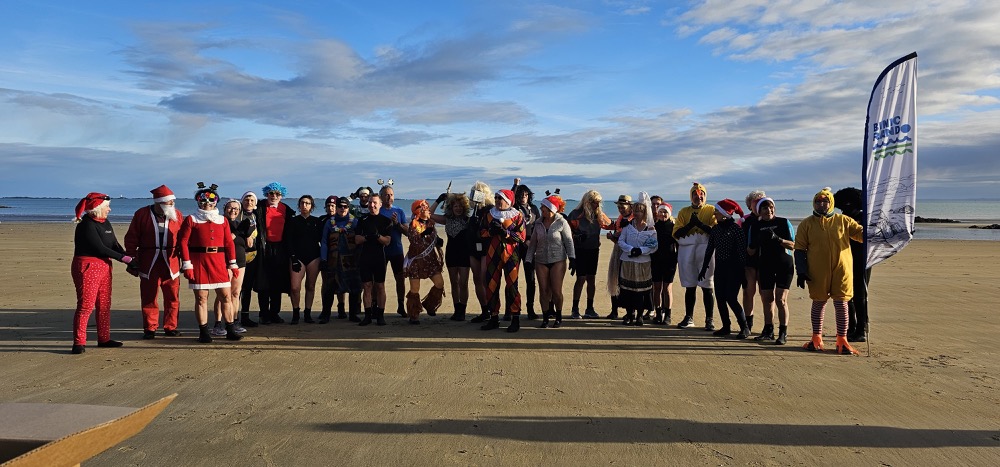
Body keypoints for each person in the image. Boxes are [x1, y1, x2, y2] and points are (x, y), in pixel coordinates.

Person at [795, 187, 865, 355]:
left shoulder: (844, 221)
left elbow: (861, 236)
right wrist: (801, 270)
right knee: (819, 302)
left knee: (842, 303)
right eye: (818, 201)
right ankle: (816, 338)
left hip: (842, 269)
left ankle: (842, 339)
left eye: (825, 201)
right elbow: (799, 249)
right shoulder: (807, 224)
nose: (821, 204)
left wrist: (875, 228)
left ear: (831, 203)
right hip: (817, 271)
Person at [177, 183, 242, 343]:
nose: (207, 204)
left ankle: (230, 329)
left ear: (216, 202)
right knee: (201, 298)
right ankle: (204, 331)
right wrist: (187, 264)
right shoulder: (191, 219)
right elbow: (183, 242)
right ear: (198, 202)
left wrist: (232, 263)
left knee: (226, 296)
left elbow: (229, 243)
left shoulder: (222, 221)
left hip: (219, 262)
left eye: (211, 201)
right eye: (203, 201)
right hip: (199, 262)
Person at [70, 192, 132, 354]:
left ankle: (104, 338)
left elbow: (114, 245)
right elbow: (100, 248)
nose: (109, 210)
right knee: (86, 306)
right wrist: (125, 260)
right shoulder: (86, 225)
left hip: (105, 265)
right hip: (88, 265)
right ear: (97, 208)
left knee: (104, 304)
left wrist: (128, 258)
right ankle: (79, 342)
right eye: (107, 207)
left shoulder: (105, 222)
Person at [123, 185, 183, 339]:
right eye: (168, 202)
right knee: (149, 296)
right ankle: (150, 328)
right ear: (159, 202)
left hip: (172, 261)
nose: (171, 205)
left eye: (172, 202)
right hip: (149, 261)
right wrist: (132, 259)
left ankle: (171, 326)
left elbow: (184, 239)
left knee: (172, 296)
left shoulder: (177, 215)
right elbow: (131, 238)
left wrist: (186, 260)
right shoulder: (142, 214)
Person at [475, 189, 527, 332]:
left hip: (512, 255)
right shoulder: (489, 214)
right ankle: (494, 317)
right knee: (491, 285)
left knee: (512, 287)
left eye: (501, 198)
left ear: (508, 201)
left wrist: (506, 232)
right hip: (493, 254)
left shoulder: (517, 216)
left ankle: (515, 318)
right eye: (496, 197)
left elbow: (521, 237)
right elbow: (480, 232)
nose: (497, 200)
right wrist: (491, 232)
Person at [699, 199, 750, 339]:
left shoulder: (736, 229)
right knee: (720, 298)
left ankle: (744, 327)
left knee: (731, 298)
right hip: (720, 268)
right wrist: (703, 268)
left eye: (717, 211)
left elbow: (741, 253)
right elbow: (709, 250)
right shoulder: (715, 229)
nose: (714, 213)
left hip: (734, 269)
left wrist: (743, 275)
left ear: (724, 213)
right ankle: (726, 326)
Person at [746, 197, 795, 345]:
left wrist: (778, 239)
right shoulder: (755, 226)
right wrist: (755, 242)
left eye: (771, 207)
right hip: (765, 265)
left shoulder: (783, 222)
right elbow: (750, 252)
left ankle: (783, 332)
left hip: (784, 265)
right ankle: (768, 330)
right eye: (765, 208)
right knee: (767, 299)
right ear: (759, 211)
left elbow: (793, 245)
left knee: (781, 299)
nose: (769, 210)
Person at [525, 194, 575, 328]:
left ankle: (558, 316)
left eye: (543, 207)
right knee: (544, 290)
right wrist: (528, 259)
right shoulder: (538, 223)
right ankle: (545, 317)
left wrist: (572, 258)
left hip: (558, 259)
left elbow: (569, 242)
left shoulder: (561, 222)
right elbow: (533, 244)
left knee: (556, 290)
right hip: (541, 260)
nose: (541, 208)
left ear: (551, 209)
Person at [673, 182, 718, 330]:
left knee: (707, 286)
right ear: (691, 196)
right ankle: (689, 317)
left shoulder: (711, 210)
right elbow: (676, 233)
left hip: (706, 252)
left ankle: (709, 319)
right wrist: (690, 225)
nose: (699, 197)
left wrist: (698, 224)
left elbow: (715, 231)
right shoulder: (683, 212)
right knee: (690, 286)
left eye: (702, 195)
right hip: (687, 252)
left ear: (705, 196)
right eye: (695, 195)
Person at [253, 182, 294, 324]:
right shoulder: (259, 207)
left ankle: (274, 312)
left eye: (277, 194)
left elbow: (290, 231)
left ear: (281, 196)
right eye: (271, 193)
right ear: (266, 194)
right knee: (264, 281)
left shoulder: (286, 210)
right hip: (263, 248)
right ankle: (263, 313)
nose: (274, 196)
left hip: (280, 249)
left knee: (278, 282)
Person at [566, 190, 611, 319]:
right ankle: (575, 309)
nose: (597, 205)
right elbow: (567, 233)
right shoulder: (575, 214)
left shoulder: (599, 215)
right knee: (581, 278)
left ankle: (589, 308)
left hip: (593, 249)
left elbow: (611, 225)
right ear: (587, 202)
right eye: (595, 202)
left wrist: (626, 222)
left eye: (599, 203)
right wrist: (577, 236)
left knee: (591, 278)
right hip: (580, 250)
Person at [834, 187, 871, 343]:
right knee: (846, 294)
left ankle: (861, 328)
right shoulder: (841, 218)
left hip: (862, 260)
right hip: (845, 259)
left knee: (860, 295)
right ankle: (852, 326)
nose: (845, 208)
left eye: (847, 205)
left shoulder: (864, 218)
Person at [210, 199, 251, 336]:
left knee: (235, 293)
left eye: (236, 208)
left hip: (240, 262)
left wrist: (249, 233)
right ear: (224, 208)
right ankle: (218, 324)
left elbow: (249, 244)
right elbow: (223, 240)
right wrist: (237, 232)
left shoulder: (240, 224)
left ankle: (234, 321)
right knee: (222, 294)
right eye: (230, 208)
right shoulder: (219, 223)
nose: (233, 210)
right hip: (224, 261)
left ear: (239, 211)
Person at [616, 194, 658, 326]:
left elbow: (654, 246)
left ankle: (640, 315)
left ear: (645, 212)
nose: (638, 213)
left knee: (641, 291)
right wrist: (631, 249)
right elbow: (621, 241)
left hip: (643, 263)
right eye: (636, 211)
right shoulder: (628, 227)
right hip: (628, 261)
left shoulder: (650, 229)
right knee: (628, 290)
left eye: (640, 211)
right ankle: (629, 314)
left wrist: (641, 250)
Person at [320, 196, 363, 323]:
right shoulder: (329, 223)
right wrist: (323, 259)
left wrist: (359, 258)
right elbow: (324, 242)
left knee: (354, 287)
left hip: (351, 260)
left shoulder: (354, 222)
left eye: (345, 207)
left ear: (348, 208)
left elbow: (360, 241)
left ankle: (353, 314)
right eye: (340, 206)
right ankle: (326, 314)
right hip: (333, 259)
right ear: (336, 208)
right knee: (329, 287)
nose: (342, 209)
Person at [430, 191, 472, 321]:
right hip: (452, 253)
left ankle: (463, 310)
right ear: (451, 208)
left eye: (460, 206)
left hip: (465, 254)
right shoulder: (447, 219)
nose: (458, 208)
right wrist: (439, 199)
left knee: (463, 283)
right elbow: (428, 214)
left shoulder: (468, 220)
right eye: (455, 206)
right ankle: (456, 310)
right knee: (454, 283)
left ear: (464, 207)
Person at [402, 199, 446, 324]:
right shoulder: (413, 225)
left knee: (439, 283)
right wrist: (423, 235)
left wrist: (438, 240)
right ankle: (413, 313)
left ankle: (429, 304)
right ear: (417, 211)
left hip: (430, 260)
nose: (426, 209)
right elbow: (414, 241)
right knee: (415, 289)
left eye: (427, 207)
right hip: (416, 261)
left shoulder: (431, 223)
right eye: (423, 207)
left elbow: (433, 238)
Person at [355, 194, 393, 326]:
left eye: (375, 203)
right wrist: (368, 237)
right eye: (370, 203)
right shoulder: (362, 220)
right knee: (367, 286)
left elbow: (387, 241)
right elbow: (357, 239)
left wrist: (377, 236)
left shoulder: (386, 221)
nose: (372, 205)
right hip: (365, 256)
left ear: (380, 204)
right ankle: (367, 315)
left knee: (380, 286)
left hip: (379, 257)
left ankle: (380, 315)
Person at [286, 195, 323, 324]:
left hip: (314, 257)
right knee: (295, 287)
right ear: (299, 205)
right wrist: (293, 257)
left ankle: (308, 313)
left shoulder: (317, 221)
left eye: (307, 203)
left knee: (310, 286)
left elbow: (322, 241)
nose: (304, 205)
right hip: (297, 257)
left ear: (312, 206)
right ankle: (296, 312)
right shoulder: (293, 221)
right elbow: (288, 241)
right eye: (302, 203)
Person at [377, 184, 409, 318]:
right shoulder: (377, 210)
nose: (389, 197)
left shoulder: (399, 211)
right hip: (381, 251)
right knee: (378, 281)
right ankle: (376, 306)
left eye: (391, 195)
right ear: (381, 197)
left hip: (396, 250)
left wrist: (397, 224)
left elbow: (407, 232)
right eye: (386, 194)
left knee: (400, 279)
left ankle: (401, 306)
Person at [511, 178, 540, 320]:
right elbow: (509, 198)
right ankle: (511, 309)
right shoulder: (513, 209)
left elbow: (538, 226)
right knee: (512, 279)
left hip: (530, 248)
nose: (523, 197)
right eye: (521, 195)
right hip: (515, 247)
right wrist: (515, 185)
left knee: (531, 279)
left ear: (529, 196)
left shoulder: (534, 209)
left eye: (526, 195)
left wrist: (532, 240)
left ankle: (530, 308)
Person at [465, 181, 494, 321]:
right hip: (473, 248)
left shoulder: (490, 210)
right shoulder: (475, 211)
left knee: (485, 279)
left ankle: (491, 308)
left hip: (486, 248)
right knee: (477, 279)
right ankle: (484, 310)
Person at [317, 195, 347, 322]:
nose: (331, 208)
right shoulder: (324, 220)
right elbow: (322, 240)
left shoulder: (349, 220)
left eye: (333, 205)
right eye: (328, 205)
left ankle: (341, 308)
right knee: (327, 283)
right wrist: (323, 258)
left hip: (344, 256)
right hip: (329, 256)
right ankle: (326, 310)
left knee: (342, 281)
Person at [741, 190, 767, 333]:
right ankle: (747, 324)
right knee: (748, 292)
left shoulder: (771, 220)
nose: (759, 202)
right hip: (749, 262)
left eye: (761, 200)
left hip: (766, 262)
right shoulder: (745, 221)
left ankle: (767, 325)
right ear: (749, 205)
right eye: (755, 201)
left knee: (766, 294)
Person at [605, 194, 633, 319]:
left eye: (623, 206)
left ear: (629, 206)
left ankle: (629, 312)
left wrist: (614, 238)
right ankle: (614, 310)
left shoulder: (633, 219)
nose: (621, 209)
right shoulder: (621, 218)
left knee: (627, 281)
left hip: (628, 252)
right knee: (614, 278)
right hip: (618, 250)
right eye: (619, 207)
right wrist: (613, 238)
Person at [650, 203, 678, 325]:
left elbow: (679, 243)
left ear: (669, 213)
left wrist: (679, 258)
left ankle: (668, 314)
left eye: (665, 212)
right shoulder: (653, 227)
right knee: (656, 288)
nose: (662, 214)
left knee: (667, 289)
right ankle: (658, 313)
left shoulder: (674, 227)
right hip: (655, 260)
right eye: (660, 212)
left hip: (670, 260)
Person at [236, 191, 260, 328]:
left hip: (253, 256)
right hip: (239, 256)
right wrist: (245, 236)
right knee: (236, 289)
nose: (249, 203)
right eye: (246, 200)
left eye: (252, 200)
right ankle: (233, 316)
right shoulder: (238, 214)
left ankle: (245, 315)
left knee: (248, 288)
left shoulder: (256, 216)